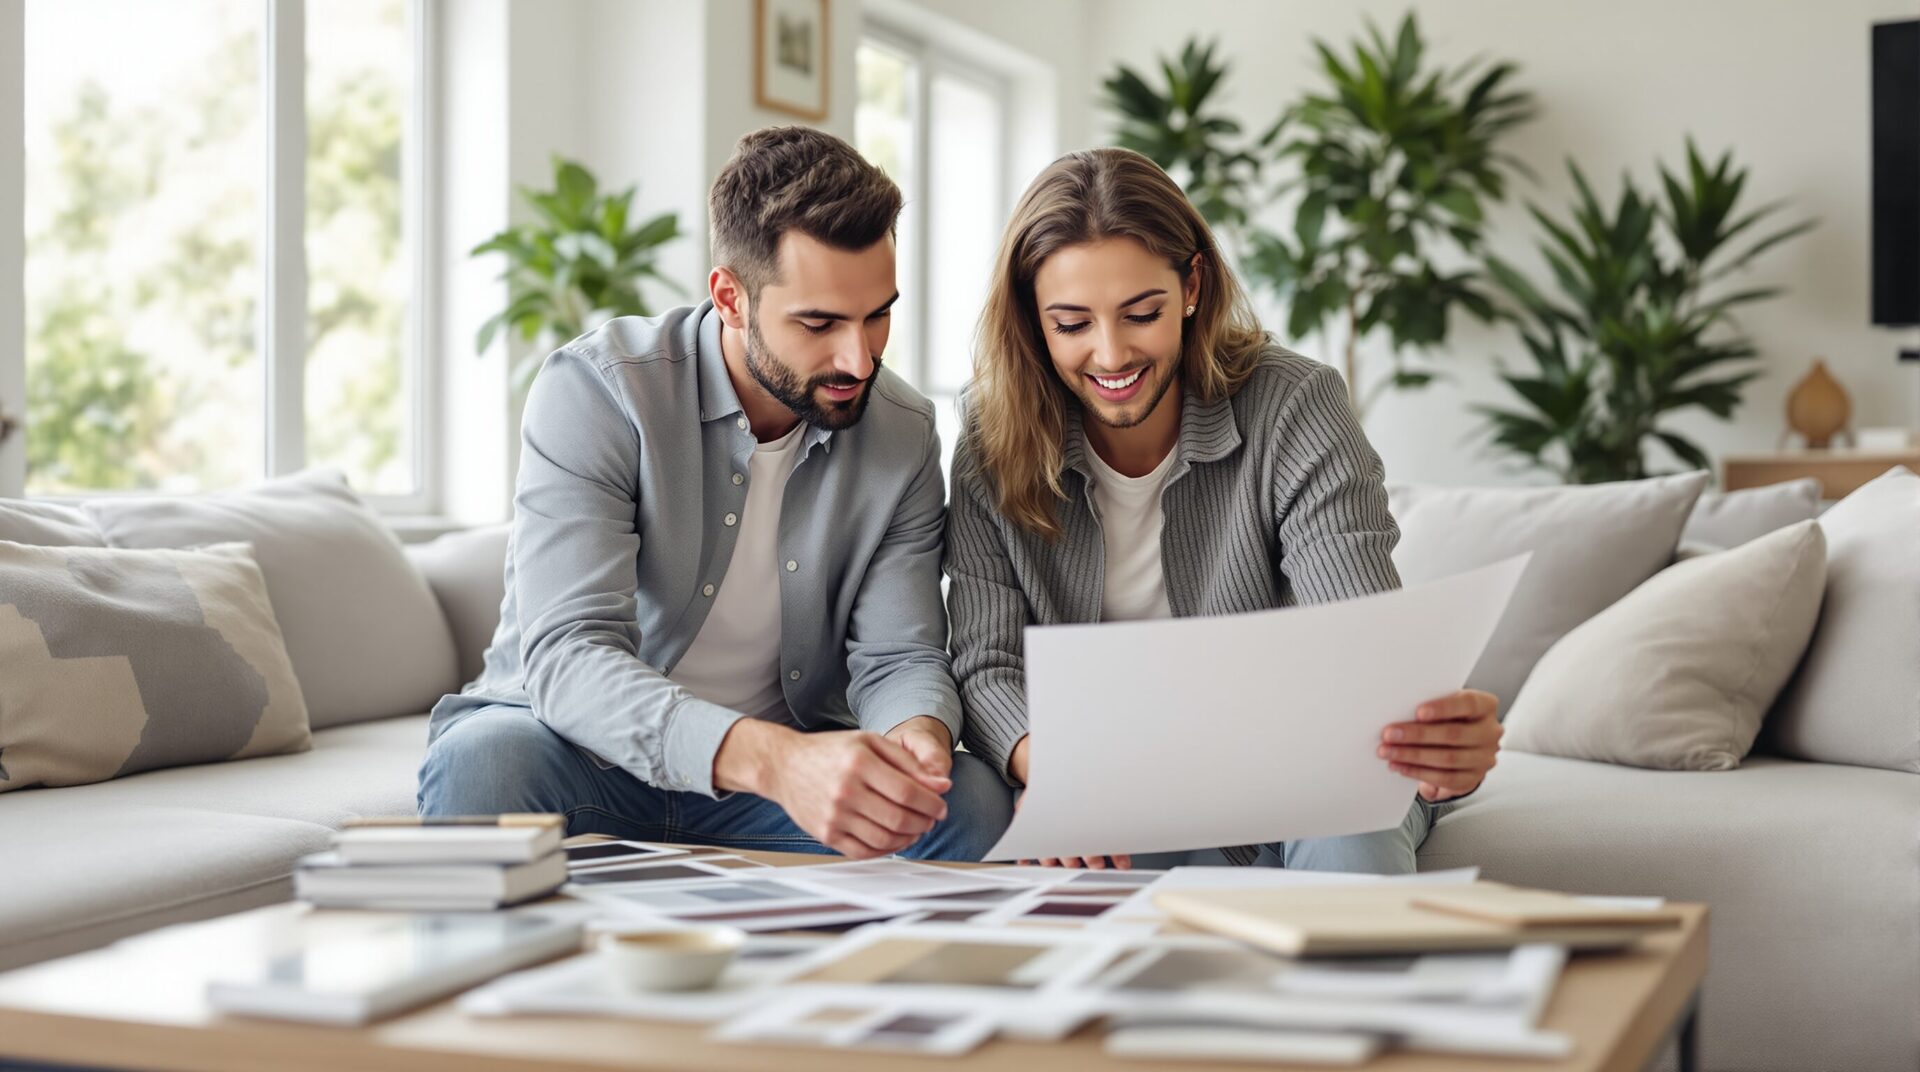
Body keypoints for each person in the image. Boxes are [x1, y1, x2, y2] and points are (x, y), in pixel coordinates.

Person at [419, 126, 1012, 861]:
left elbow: (898, 656)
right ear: (730, 297)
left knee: (969, 804)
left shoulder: (903, 431)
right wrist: (773, 760)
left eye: (878, 314)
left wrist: (913, 745)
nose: (858, 359)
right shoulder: (601, 391)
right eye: (819, 323)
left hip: (774, 795)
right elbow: (569, 655)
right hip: (586, 759)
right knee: (485, 765)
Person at [945, 147, 1501, 872]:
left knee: (1350, 822)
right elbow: (986, 663)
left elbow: (1358, 639)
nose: (1110, 355)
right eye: (1072, 324)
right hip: (1116, 773)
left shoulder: (1294, 405)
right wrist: (1057, 772)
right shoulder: (994, 439)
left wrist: (1439, 735)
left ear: (1193, 285)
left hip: (1310, 757)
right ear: (1033, 320)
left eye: (1141, 313)